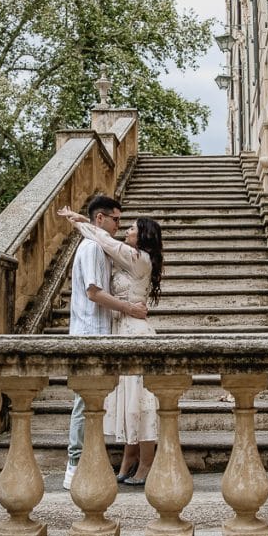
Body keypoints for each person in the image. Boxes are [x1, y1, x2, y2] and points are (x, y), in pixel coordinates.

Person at [58, 205, 164, 486]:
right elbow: (104, 245)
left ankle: (146, 463)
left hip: (135, 331)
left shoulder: (138, 257)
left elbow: (105, 241)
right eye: (122, 224)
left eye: (132, 228)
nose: (126, 229)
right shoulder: (126, 258)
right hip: (120, 329)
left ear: (143, 237)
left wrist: (81, 222)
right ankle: (129, 459)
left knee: (140, 401)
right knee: (127, 400)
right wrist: (87, 222)